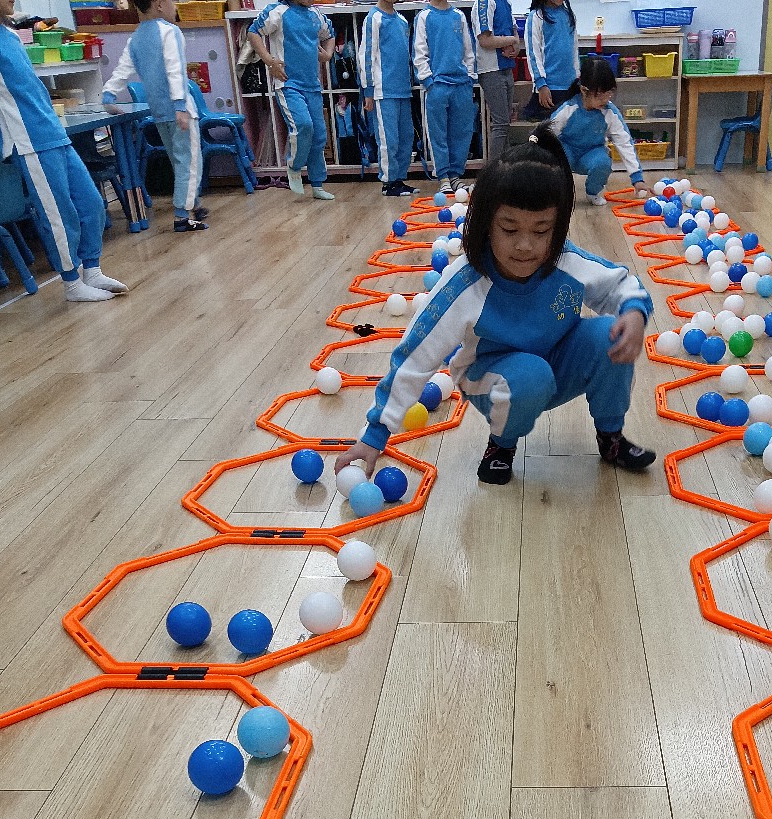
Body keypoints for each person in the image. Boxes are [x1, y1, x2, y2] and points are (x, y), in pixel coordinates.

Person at [335, 127, 656, 488]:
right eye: (509, 229)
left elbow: (621, 284)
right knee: (530, 375)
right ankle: (501, 445)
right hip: (491, 376)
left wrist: (634, 312)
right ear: (487, 224)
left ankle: (611, 437)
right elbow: (416, 355)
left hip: (555, 364)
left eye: (541, 231)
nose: (525, 245)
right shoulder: (466, 283)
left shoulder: (565, 261)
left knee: (609, 334)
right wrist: (375, 433)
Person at [0, 0, 127, 300]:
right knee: (59, 215)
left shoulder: (10, 34)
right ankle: (72, 283)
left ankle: (92, 269)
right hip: (29, 141)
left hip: (54, 132)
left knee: (91, 203)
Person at [102, 0, 206, 232]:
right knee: (190, 165)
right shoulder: (169, 31)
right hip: (180, 112)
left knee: (179, 162)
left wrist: (108, 95)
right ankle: (182, 216)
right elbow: (175, 70)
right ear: (159, 4)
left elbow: (122, 70)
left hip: (159, 114)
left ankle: (195, 204)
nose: (175, 6)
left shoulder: (136, 38)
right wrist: (180, 105)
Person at [246, 0, 336, 200]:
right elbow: (253, 32)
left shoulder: (315, 14)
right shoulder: (278, 12)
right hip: (288, 85)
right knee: (303, 125)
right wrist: (269, 60)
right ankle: (294, 165)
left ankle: (317, 184)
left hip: (312, 86)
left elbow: (330, 34)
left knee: (319, 135)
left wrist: (328, 54)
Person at [550, 55, 648, 205]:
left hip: (591, 153)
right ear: (584, 90)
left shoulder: (610, 112)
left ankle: (592, 192)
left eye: (609, 93)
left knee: (603, 163)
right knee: (554, 159)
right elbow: (548, 134)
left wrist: (637, 178)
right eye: (600, 94)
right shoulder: (569, 109)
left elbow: (624, 142)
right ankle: (556, 194)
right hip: (567, 151)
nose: (606, 99)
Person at [412, 0, 476, 196]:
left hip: (461, 85)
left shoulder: (459, 15)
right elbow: (419, 52)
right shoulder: (424, 16)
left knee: (462, 132)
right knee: (438, 133)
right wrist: (428, 81)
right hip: (437, 86)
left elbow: (468, 50)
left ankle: (455, 175)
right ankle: (443, 178)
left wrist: (470, 78)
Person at [358, 0, 415, 196]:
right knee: (388, 139)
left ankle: (399, 179)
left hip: (403, 90)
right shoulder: (373, 18)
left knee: (406, 137)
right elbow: (366, 55)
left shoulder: (402, 21)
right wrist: (368, 90)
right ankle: (389, 182)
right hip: (383, 91)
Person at [471, 0, 518, 162]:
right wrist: (511, 41)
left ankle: (505, 168)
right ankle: (493, 172)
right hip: (490, 69)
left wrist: (514, 46)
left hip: (506, 68)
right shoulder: (484, 3)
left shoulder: (506, 3)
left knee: (505, 124)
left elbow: (514, 35)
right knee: (501, 123)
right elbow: (485, 41)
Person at [522, 0, 577, 121]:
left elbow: (574, 50)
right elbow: (533, 53)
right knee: (548, 128)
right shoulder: (536, 17)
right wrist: (541, 84)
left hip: (570, 86)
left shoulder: (568, 15)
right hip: (548, 88)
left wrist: (577, 78)